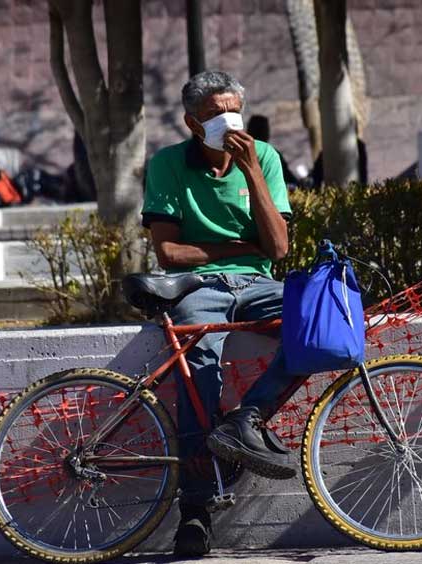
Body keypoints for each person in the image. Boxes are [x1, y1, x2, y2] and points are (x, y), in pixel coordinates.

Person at [142, 70, 306, 557]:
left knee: (315, 323)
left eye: (233, 110)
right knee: (199, 375)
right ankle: (194, 512)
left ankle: (246, 420)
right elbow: (169, 252)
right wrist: (237, 245)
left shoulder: (266, 158)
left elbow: (277, 248)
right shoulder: (169, 163)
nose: (228, 121)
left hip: (258, 283)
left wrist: (252, 169)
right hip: (199, 287)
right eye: (215, 114)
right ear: (194, 123)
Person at [245, 114, 301, 187]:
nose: (267, 133)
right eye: (265, 130)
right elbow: (287, 176)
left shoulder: (239, 151)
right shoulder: (271, 153)